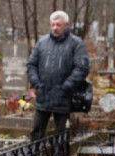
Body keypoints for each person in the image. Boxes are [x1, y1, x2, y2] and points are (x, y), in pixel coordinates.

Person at [26, 11, 88, 141]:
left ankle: (59, 155)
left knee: (61, 136)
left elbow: (82, 68)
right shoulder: (42, 43)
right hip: (43, 96)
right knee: (36, 134)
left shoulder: (75, 43)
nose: (55, 28)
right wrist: (37, 84)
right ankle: (35, 155)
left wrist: (66, 87)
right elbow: (31, 65)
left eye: (58, 25)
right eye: (53, 24)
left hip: (63, 97)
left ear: (66, 25)